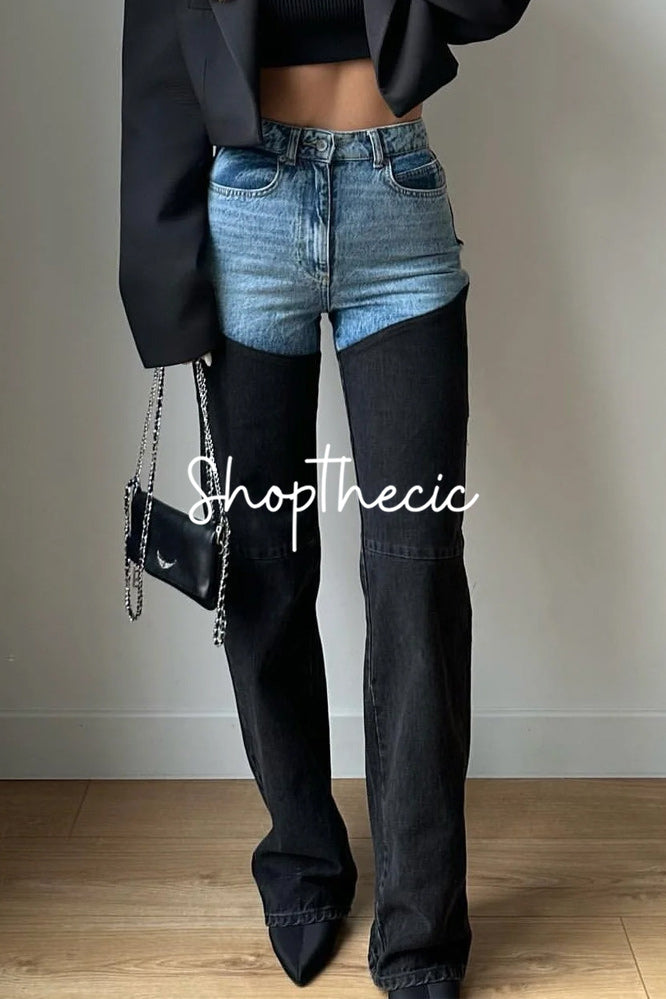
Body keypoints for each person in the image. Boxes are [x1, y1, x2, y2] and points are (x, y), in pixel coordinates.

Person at [119, 1, 533, 995]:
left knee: (418, 577)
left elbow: (491, 8)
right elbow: (160, 65)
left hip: (399, 199)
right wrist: (162, 285)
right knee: (262, 569)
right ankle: (303, 861)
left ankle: (422, 929)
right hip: (248, 211)